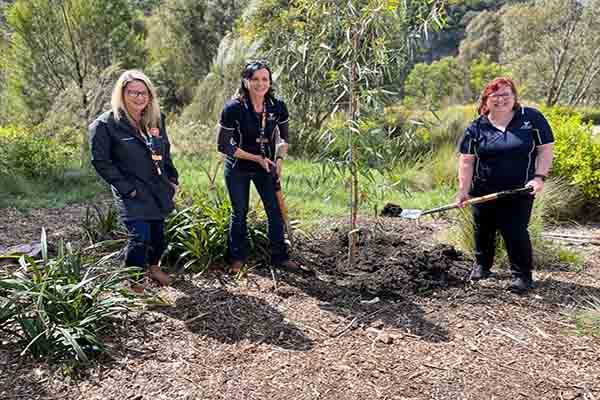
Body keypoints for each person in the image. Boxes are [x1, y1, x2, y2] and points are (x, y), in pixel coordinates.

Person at [456, 77, 554, 293]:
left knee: (516, 230)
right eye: (495, 96)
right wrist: (463, 191)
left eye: (506, 95)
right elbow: (466, 160)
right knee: (483, 228)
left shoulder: (531, 118)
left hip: (520, 189)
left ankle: (522, 276)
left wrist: (539, 177)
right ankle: (483, 266)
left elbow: (545, 149)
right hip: (483, 189)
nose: (501, 100)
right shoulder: (476, 127)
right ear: (486, 100)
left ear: (514, 97)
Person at [89, 70, 179, 288]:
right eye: (133, 93)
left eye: (143, 93)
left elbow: (164, 152)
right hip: (131, 190)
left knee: (158, 236)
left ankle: (154, 268)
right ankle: (135, 282)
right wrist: (126, 189)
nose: (139, 97)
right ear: (122, 94)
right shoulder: (105, 125)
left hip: (157, 187)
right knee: (139, 237)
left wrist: (172, 179)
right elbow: (101, 162)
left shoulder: (156, 119)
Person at [217, 60, 298, 273]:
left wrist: (279, 160)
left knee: (274, 211)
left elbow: (284, 139)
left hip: (267, 166)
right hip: (238, 167)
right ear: (246, 82)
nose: (260, 84)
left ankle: (280, 257)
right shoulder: (233, 108)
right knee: (240, 212)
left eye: (265, 79)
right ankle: (236, 259)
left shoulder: (277, 106)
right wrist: (255, 158)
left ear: (270, 82)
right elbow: (223, 145)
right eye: (255, 79)